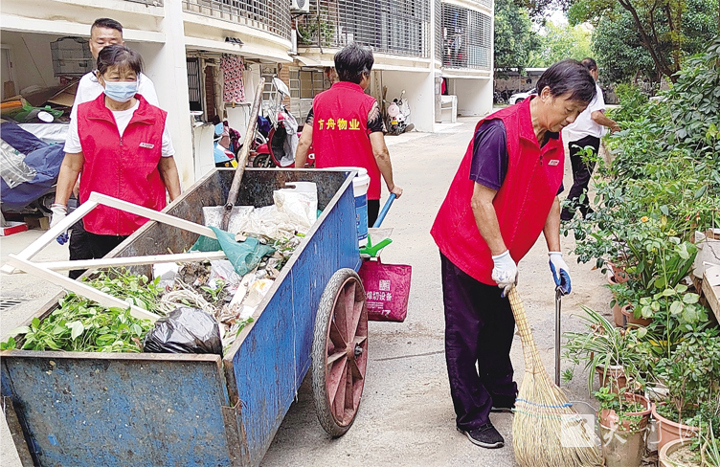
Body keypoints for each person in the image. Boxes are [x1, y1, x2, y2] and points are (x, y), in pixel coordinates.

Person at [430, 60, 597, 449]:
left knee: (500, 325)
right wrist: (500, 256)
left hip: (504, 253)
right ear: (545, 94)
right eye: (568, 109)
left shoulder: (553, 141)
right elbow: (480, 202)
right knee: (465, 333)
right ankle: (472, 414)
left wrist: (555, 255)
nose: (570, 121)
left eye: (577, 114)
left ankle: (500, 392)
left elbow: (551, 201)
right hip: (467, 248)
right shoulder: (500, 131)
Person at [50, 45, 181, 271]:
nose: (123, 84)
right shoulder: (84, 117)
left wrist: (178, 209)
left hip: (145, 219)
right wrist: (59, 211)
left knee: (145, 280)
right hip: (99, 220)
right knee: (110, 279)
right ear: (100, 78)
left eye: (130, 77)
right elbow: (71, 166)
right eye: (116, 77)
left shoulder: (154, 118)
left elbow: (168, 166)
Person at [63, 18, 161, 279]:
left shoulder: (143, 86)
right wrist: (59, 206)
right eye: (101, 42)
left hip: (136, 191)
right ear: (91, 46)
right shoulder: (87, 86)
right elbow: (76, 147)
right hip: (96, 186)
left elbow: (155, 140)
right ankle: (81, 297)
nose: (106, 46)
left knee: (133, 264)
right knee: (83, 251)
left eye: (113, 42)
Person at [294, 43, 402, 226]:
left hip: (327, 190)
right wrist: (391, 185)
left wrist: (297, 178)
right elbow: (380, 152)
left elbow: (304, 142)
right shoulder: (369, 105)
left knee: (333, 239)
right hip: (363, 192)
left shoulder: (319, 102)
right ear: (363, 75)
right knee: (360, 244)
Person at [561, 58, 620, 221]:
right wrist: (613, 125)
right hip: (589, 138)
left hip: (574, 139)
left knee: (579, 179)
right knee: (582, 179)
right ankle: (566, 215)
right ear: (593, 70)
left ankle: (586, 211)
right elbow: (596, 115)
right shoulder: (593, 88)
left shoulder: (573, 88)